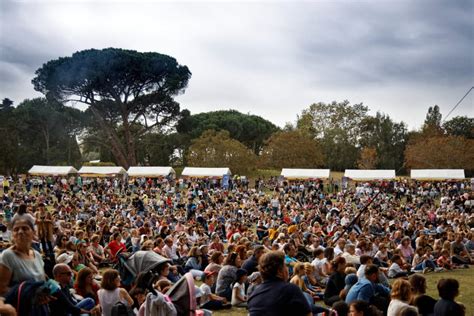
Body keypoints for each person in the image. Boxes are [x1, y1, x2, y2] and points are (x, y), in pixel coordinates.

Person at [248, 251, 311, 316]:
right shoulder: (291, 289)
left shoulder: (254, 294)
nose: (287, 269)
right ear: (280, 271)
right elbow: (308, 314)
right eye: (285, 266)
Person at [0, 204, 45, 295]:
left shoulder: (37, 255)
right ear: (12, 234)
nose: (20, 232)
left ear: (33, 233)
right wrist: (30, 295)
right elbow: (2, 289)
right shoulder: (7, 256)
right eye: (16, 229)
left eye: (25, 228)